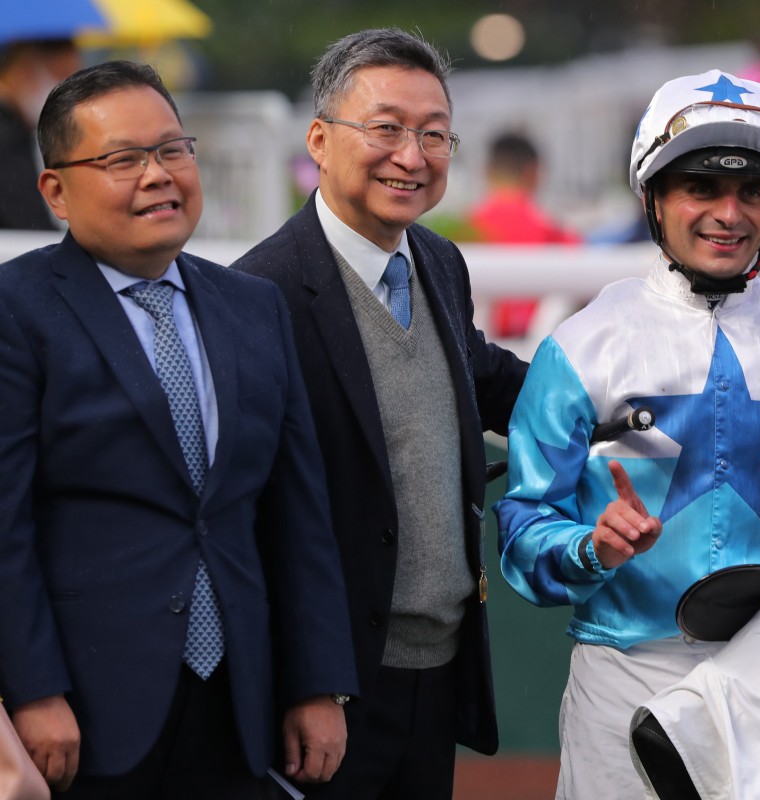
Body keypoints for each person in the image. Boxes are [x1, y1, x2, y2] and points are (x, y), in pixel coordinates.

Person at [496, 69, 760, 799]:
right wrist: (592, 547)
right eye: (702, 188)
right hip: (622, 683)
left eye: (753, 191)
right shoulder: (580, 349)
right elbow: (523, 533)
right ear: (654, 199)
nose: (730, 213)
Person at [0, 61, 357, 798]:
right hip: (83, 708)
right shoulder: (18, 311)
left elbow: (298, 516)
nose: (157, 175)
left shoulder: (253, 306)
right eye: (122, 159)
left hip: (241, 704)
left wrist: (318, 684)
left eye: (172, 150)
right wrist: (31, 689)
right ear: (56, 191)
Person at [233, 28, 527, 799]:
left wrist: (627, 401)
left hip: (442, 669)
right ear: (321, 141)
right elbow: (250, 516)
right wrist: (310, 683)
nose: (413, 154)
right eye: (387, 128)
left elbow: (484, 375)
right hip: (333, 691)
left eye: (434, 134)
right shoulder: (259, 293)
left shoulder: (437, 261)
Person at [468, 130, 580, 338]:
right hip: (540, 349)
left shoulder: (464, 231)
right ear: (534, 172)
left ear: (487, 171)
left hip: (471, 351)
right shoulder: (555, 233)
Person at [0, 39, 81, 229]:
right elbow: (28, 222)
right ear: (24, 73)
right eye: (63, 77)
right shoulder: (7, 138)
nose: (73, 97)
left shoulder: (17, 127)